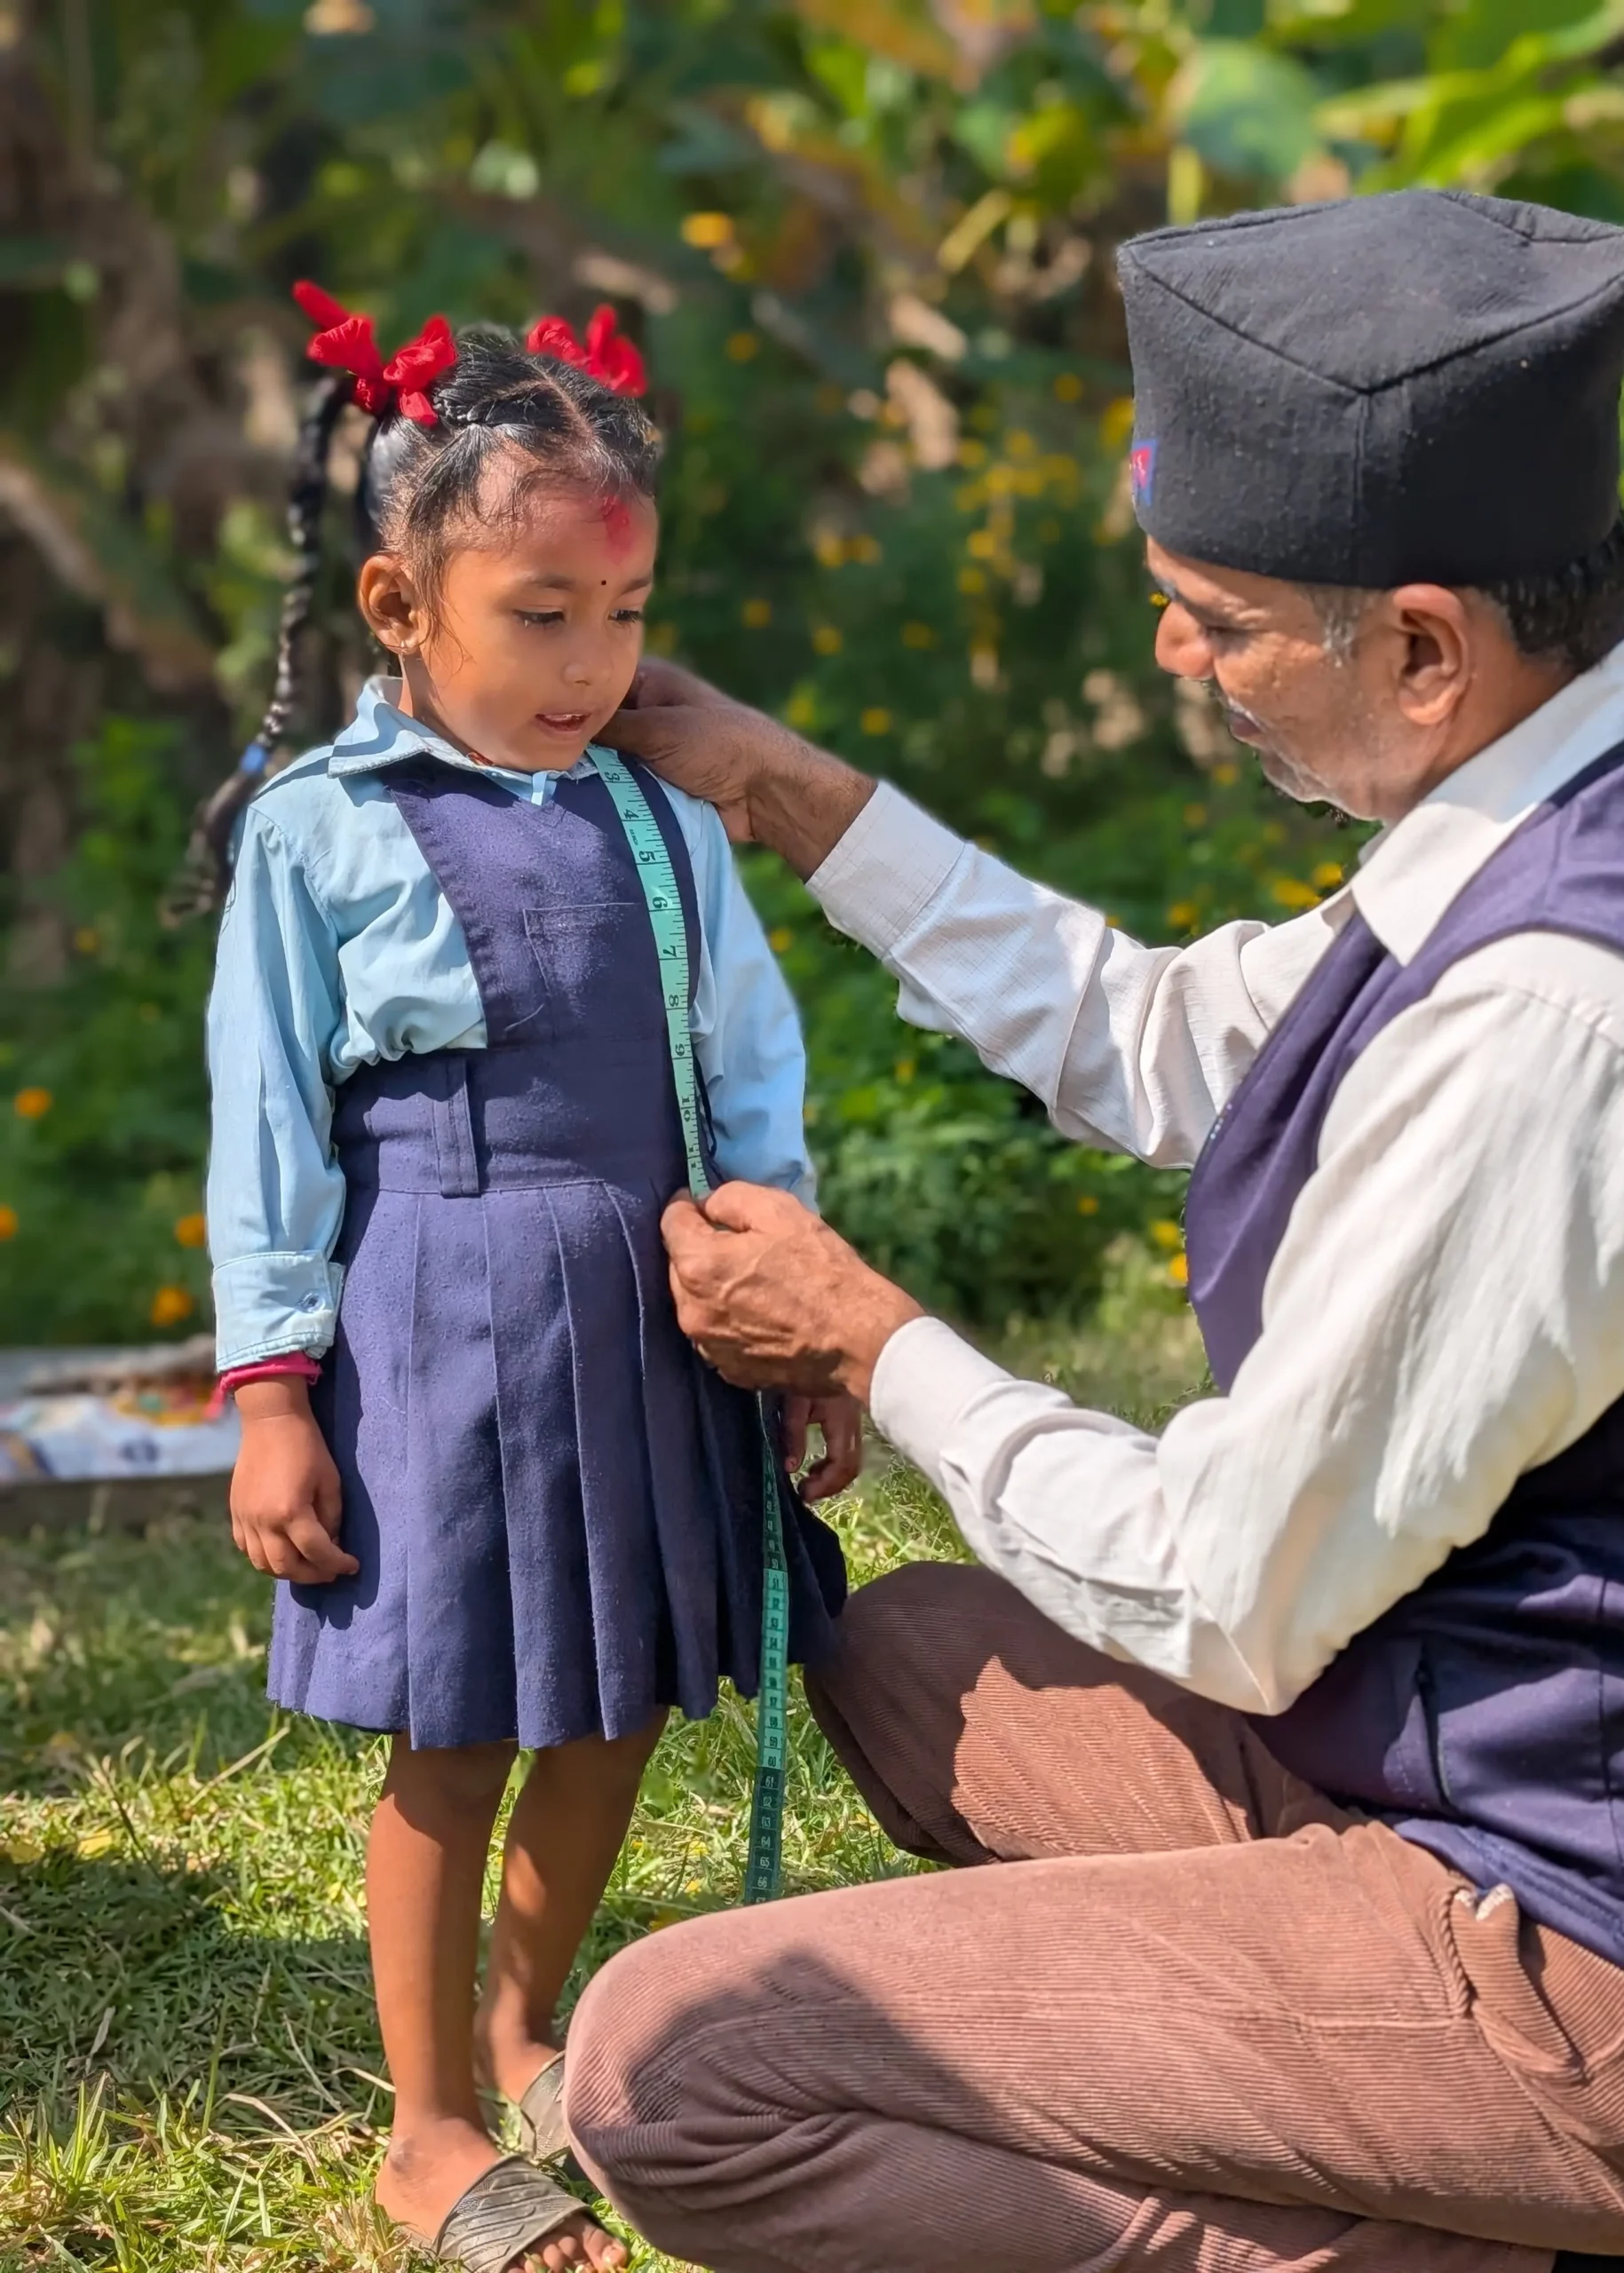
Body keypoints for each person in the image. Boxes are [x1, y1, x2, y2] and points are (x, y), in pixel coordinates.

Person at [557, 193, 1624, 2273]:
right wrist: (800, 798)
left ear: (1426, 645)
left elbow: (1230, 1593)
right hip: (1470, 1732)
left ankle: (1476, 2237)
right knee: (915, 1654)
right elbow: (1170, 1038)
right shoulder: (1589, 784)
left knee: (672, 2059)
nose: (1172, 656)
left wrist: (871, 1336)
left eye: (1219, 613)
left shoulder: (1564, 1023)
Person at [201, 288, 858, 2273]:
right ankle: (425, 2121)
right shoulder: (322, 838)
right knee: (463, 1720)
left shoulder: (668, 827)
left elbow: (747, 1073)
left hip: (650, 1311)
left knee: (616, 1695)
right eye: (541, 616)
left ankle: (527, 2025)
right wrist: (277, 1390)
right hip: (443, 1323)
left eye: (626, 613)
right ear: (402, 601)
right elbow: (267, 1126)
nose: (596, 664)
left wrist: (800, 1311)